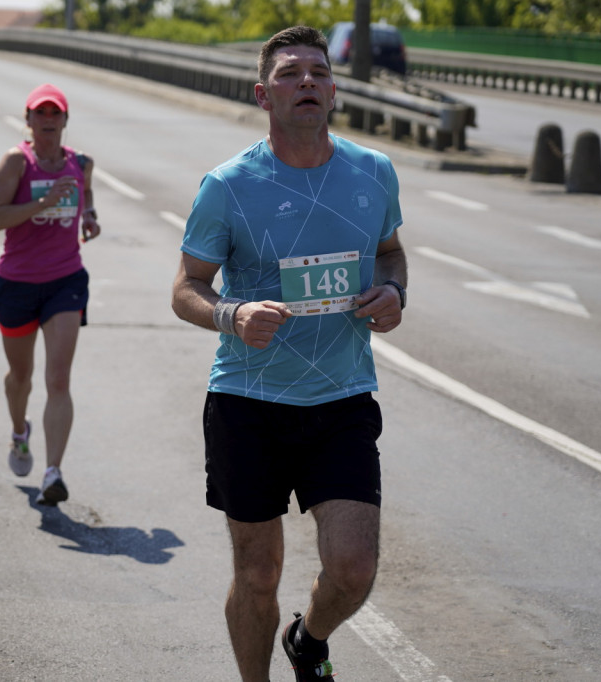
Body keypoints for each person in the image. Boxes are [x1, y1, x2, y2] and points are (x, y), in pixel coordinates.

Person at [171, 25, 408, 682]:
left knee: (354, 568)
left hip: (342, 397)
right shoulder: (228, 185)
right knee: (257, 575)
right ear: (262, 95)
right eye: (289, 73)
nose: (307, 81)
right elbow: (185, 287)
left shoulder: (373, 172)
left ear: (333, 91)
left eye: (318, 72)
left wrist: (393, 291)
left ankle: (309, 638)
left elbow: (390, 254)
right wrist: (232, 313)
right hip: (249, 401)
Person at [0, 83, 101, 506]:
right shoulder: (18, 162)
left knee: (59, 378)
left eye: (56, 114)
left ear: (65, 121)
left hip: (65, 280)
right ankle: (20, 433)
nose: (48, 121)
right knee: (21, 377)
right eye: (41, 114)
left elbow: (85, 197)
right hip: (16, 283)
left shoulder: (81, 163)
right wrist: (43, 202)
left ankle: (53, 472)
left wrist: (89, 216)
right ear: (28, 120)